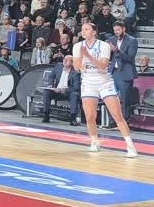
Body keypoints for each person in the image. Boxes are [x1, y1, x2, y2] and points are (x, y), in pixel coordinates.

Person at [74, 21, 138, 157]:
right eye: (82, 29)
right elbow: (77, 67)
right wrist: (82, 61)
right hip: (88, 82)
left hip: (104, 82)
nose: (83, 31)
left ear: (94, 32)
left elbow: (103, 65)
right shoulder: (77, 46)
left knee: (117, 115)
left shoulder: (104, 45)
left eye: (86, 29)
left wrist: (88, 56)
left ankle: (130, 146)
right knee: (90, 116)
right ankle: (94, 142)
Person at [38, 53, 82, 125]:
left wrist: (64, 90)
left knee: (75, 94)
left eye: (67, 60)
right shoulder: (58, 67)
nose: (64, 61)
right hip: (56, 91)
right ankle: (46, 115)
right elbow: (51, 76)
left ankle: (73, 119)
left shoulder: (76, 72)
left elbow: (76, 87)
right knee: (46, 91)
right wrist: (51, 84)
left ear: (72, 63)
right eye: (64, 59)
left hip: (67, 93)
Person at [110, 20, 139, 121]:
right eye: (115, 30)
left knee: (125, 99)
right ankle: (113, 121)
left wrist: (117, 51)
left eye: (118, 30)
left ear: (124, 29)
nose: (116, 32)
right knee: (112, 98)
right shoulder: (112, 39)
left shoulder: (132, 41)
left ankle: (125, 121)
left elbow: (130, 58)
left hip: (125, 73)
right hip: (113, 72)